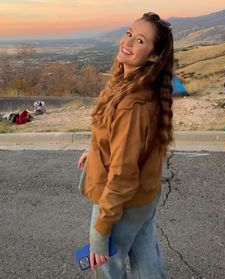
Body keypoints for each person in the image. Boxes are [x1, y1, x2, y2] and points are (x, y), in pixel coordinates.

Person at [78, 12, 173, 279]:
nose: (128, 42)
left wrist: (101, 230)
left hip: (123, 203)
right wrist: (96, 150)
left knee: (107, 264)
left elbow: (122, 175)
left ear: (153, 56)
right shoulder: (138, 85)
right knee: (146, 261)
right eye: (129, 33)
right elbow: (128, 144)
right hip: (144, 196)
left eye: (140, 40)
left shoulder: (132, 104)